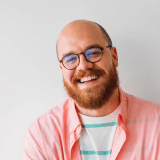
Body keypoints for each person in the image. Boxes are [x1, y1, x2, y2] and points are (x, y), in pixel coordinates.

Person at [22, 20, 160, 160]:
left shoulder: (157, 124)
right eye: (70, 58)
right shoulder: (41, 135)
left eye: (94, 52)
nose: (83, 66)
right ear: (62, 69)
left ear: (114, 57)